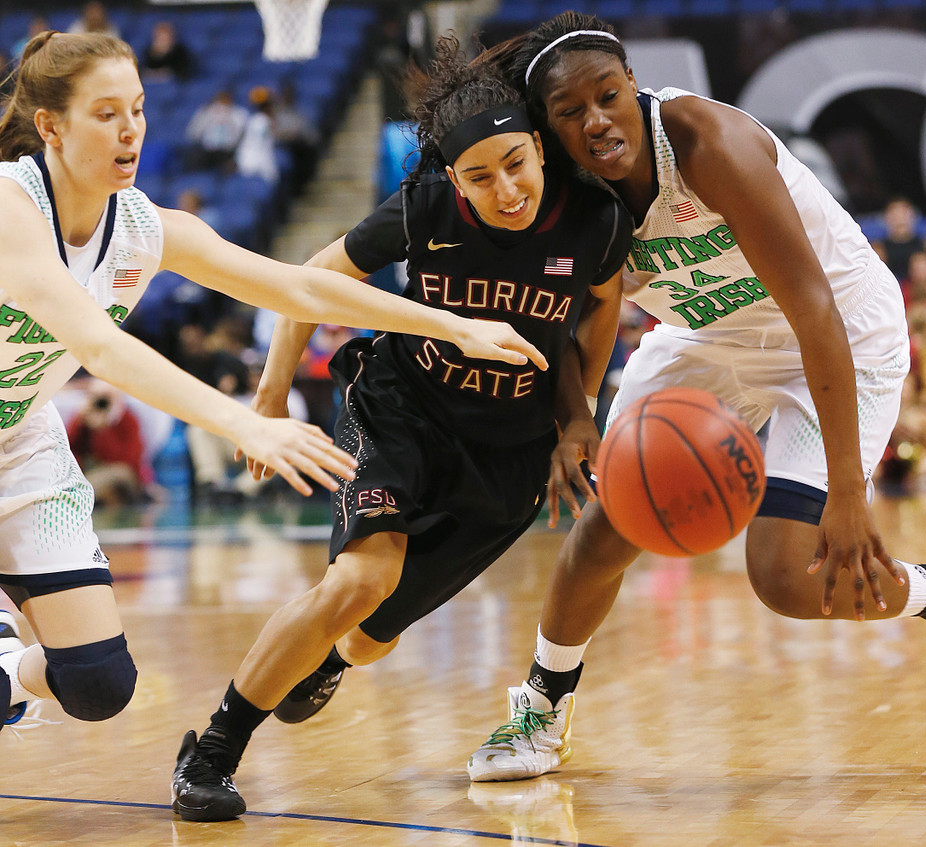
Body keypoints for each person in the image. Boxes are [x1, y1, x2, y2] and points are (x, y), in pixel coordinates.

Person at [461, 12, 926, 783]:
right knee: (605, 527)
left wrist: (850, 493)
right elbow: (563, 322)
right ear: (548, 126)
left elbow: (813, 308)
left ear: (634, 85)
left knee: (787, 576)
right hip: (706, 335)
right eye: (570, 112)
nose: (597, 122)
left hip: (837, 333)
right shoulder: (556, 192)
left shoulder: (705, 143)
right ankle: (541, 711)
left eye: (610, 95)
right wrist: (576, 419)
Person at [0, 31, 544, 740]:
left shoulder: (142, 228)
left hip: (20, 439)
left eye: (136, 108)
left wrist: (452, 326)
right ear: (50, 127)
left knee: (99, 685)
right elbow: (100, 347)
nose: (130, 128)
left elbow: (296, 285)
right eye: (105, 113)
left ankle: (8, 667)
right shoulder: (12, 207)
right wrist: (245, 423)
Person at [169, 35, 631, 821]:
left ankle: (333, 654)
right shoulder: (423, 209)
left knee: (366, 637)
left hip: (509, 457)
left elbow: (601, 313)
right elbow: (307, 281)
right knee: (360, 579)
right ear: (453, 177)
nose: (506, 188)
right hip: (402, 411)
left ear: (541, 151)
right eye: (480, 176)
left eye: (516, 163)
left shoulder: (594, 219)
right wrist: (271, 399)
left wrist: (575, 419)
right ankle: (211, 750)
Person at [67, 378, 157, 506]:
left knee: (116, 475)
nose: (101, 402)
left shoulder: (128, 419)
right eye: (95, 397)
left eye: (105, 397)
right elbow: (67, 449)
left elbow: (126, 463)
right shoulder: (84, 418)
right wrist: (80, 420)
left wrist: (102, 429)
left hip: (123, 478)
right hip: (92, 472)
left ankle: (79, 495)